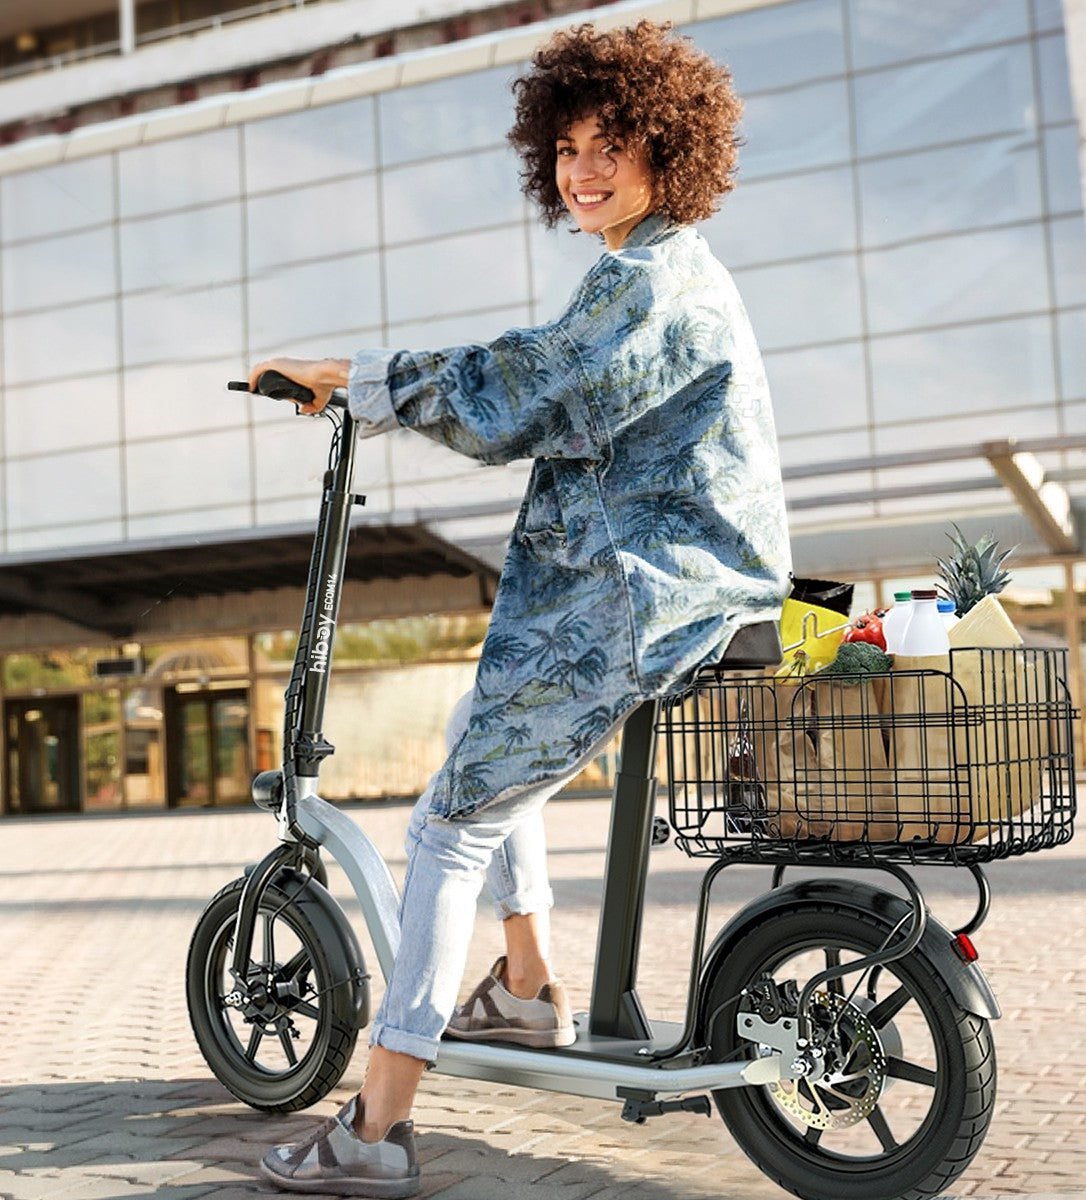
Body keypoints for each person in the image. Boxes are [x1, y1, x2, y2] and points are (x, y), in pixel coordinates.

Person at [250, 19, 791, 1197]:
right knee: (477, 737)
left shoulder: (649, 282)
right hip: (659, 587)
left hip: (640, 597)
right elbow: (542, 369)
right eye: (566, 149)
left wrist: (361, 379)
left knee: (449, 826)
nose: (583, 170)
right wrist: (380, 383)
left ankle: (377, 1125)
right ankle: (530, 986)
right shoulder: (661, 268)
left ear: (669, 150)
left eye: (611, 145)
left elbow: (526, 392)